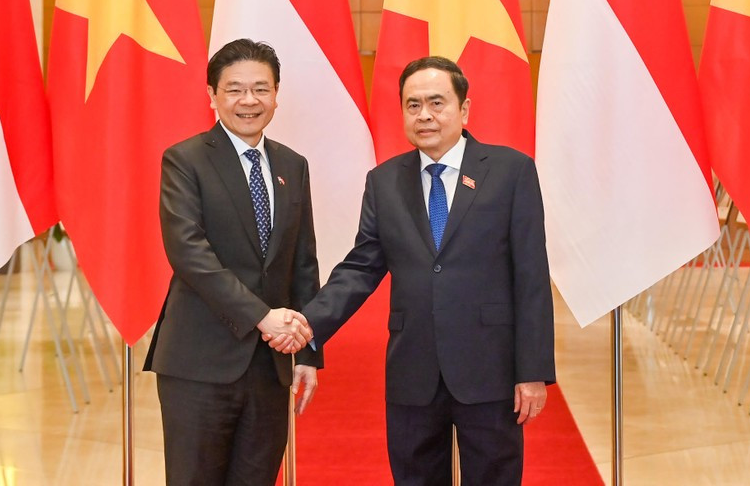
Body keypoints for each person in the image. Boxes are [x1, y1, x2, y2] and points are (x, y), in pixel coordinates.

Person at [268, 56, 555, 486]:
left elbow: (532, 277)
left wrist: (532, 371)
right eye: (413, 104)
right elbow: (361, 267)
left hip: (489, 368)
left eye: (437, 103)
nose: (425, 115)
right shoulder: (385, 181)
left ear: (465, 109)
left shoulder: (511, 171)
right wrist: (309, 324)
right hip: (413, 370)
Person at [144, 38, 322, 486]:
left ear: (276, 95)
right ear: (212, 95)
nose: (249, 101)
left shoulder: (292, 165)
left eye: (261, 89)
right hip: (198, 363)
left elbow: (302, 261)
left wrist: (308, 353)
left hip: (270, 367)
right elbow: (190, 254)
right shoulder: (184, 160)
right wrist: (262, 317)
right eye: (235, 89)